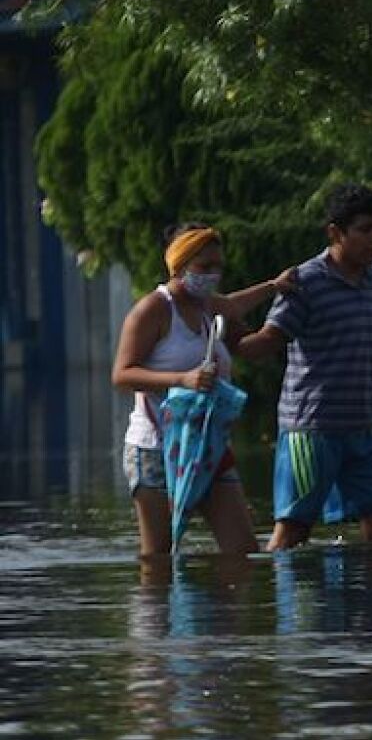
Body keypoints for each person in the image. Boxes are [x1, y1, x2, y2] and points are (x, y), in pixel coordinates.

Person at [112, 223, 295, 557]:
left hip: (207, 446)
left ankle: (222, 610)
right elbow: (122, 375)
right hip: (155, 448)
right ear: (179, 265)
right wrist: (182, 379)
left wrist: (276, 291)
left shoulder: (209, 307)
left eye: (218, 267)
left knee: (242, 553)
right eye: (204, 267)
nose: (213, 275)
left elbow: (237, 306)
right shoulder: (153, 309)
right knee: (159, 560)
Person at [237, 184, 372, 551]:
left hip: (362, 429)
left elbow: (371, 356)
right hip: (311, 431)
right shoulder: (306, 281)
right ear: (335, 233)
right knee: (294, 529)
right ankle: (282, 604)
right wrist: (225, 336)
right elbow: (268, 341)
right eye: (364, 230)